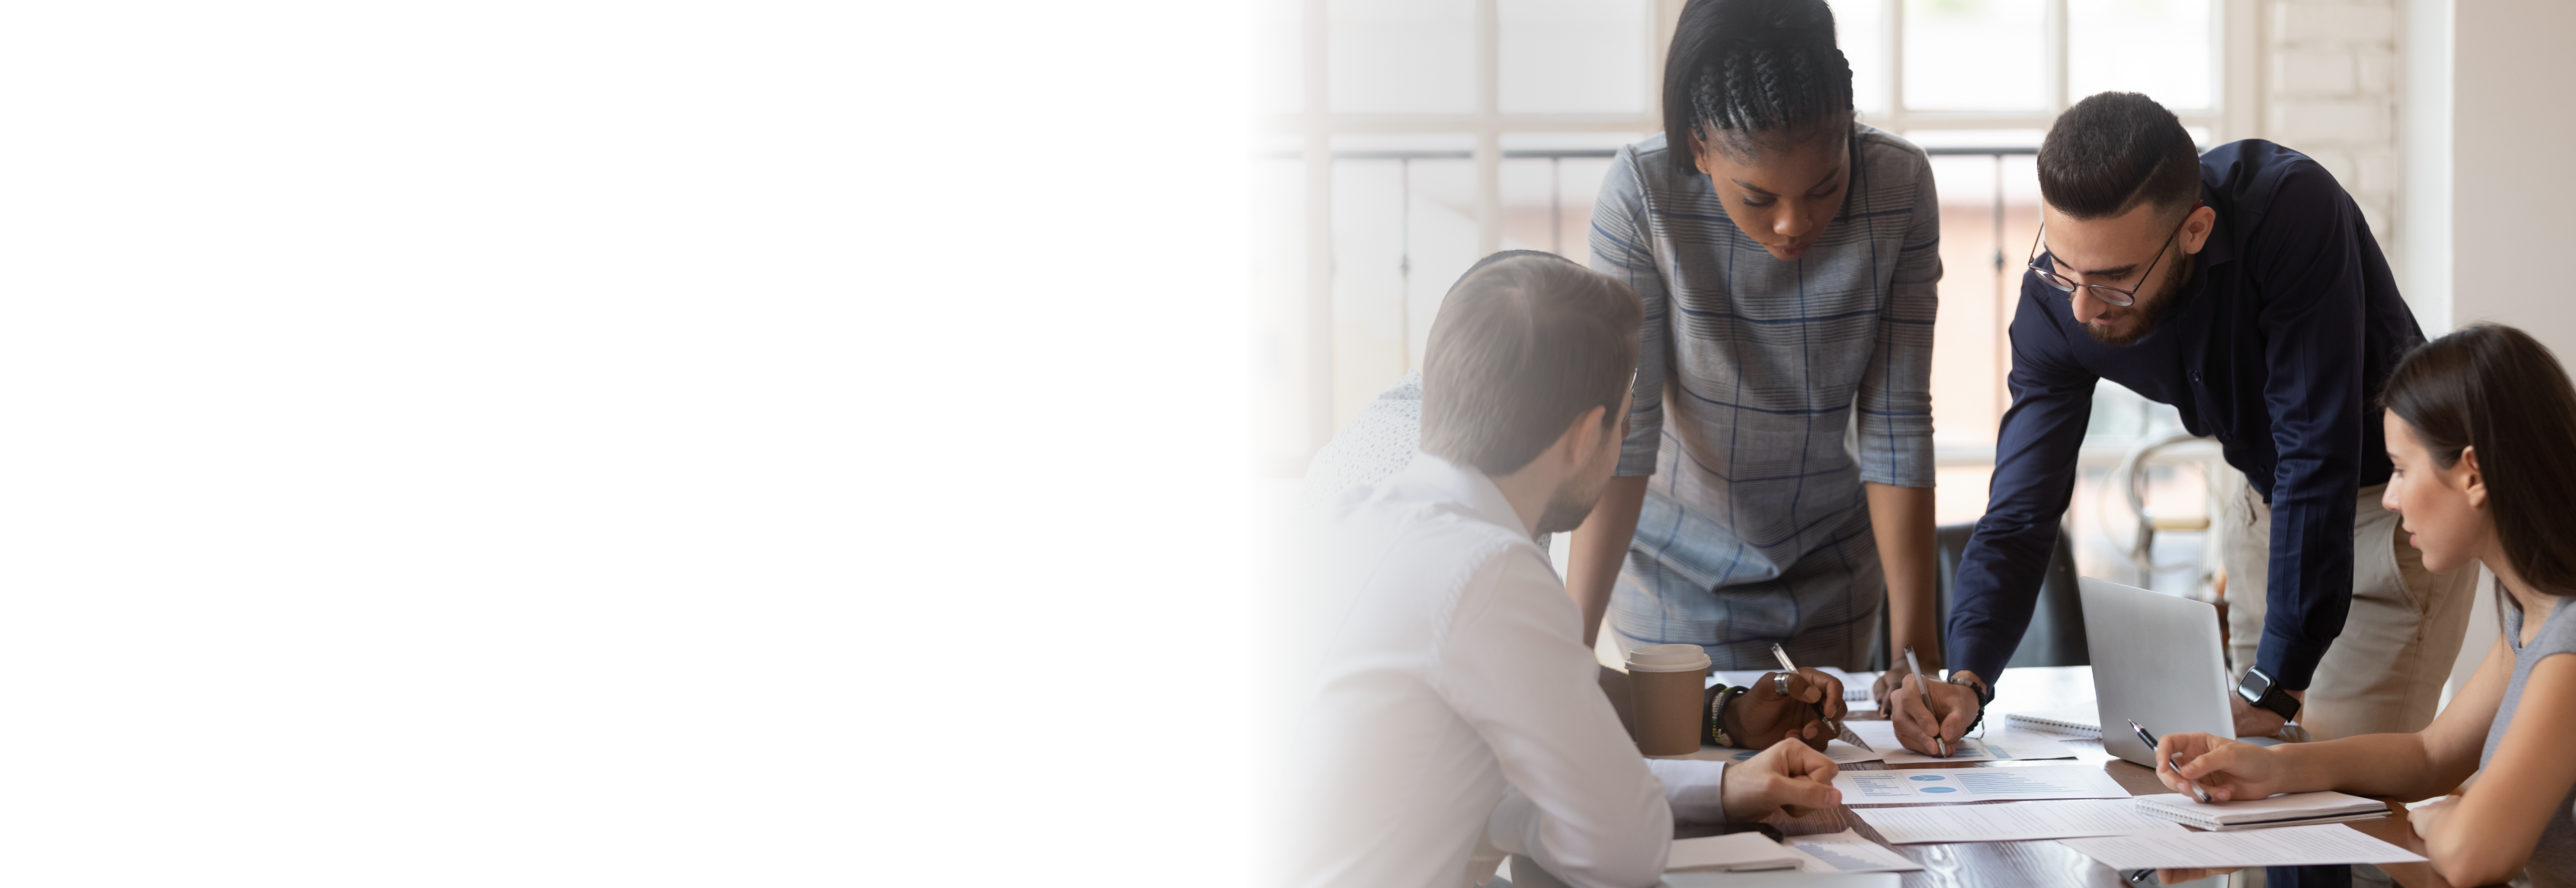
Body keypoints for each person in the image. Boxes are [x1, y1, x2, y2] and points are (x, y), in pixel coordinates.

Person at [1912, 92, 2475, 761]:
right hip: (2266, 511)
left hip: (2391, 519)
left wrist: (2275, 683)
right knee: (2235, 798)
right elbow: (2020, 508)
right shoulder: (2059, 299)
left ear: (2196, 230)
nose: (2084, 307)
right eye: (2065, 268)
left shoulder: (2293, 212)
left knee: (2339, 803)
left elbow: (2314, 451)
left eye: (2116, 278)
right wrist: (1969, 677)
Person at [1277, 253, 1845, 888]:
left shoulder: (1349, 520)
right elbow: (1621, 849)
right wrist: (1539, 814)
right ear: (1584, 434)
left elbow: (1496, 779)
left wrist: (1717, 786)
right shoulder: (1488, 570)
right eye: (1624, 425)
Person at [1572, 0, 1944, 695]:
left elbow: (1897, 421)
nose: (1792, 224)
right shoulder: (1642, 195)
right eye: (1756, 196)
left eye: (1825, 187)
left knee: (1828, 788)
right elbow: (1626, 431)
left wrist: (1915, 655)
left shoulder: (1899, 186)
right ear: (1699, 148)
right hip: (1673, 571)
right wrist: (1569, 643)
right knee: (1699, 772)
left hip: (1834, 567)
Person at [2147, 325, 2576, 888]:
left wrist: (2446, 814)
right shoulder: (2532, 611)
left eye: (2400, 468)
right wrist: (2269, 769)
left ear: (2472, 474)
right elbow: (2431, 755)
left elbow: (2474, 853)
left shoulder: (2568, 639)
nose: (2391, 498)